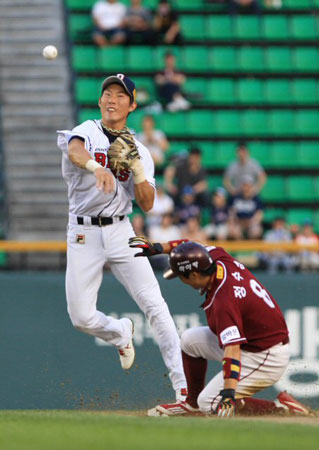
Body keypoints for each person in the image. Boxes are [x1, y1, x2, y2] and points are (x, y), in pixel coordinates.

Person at [57, 73, 186, 401]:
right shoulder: (87, 130)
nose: (112, 99)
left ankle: (184, 389)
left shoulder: (141, 151)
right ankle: (118, 332)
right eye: (107, 94)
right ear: (100, 101)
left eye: (120, 95)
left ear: (132, 104)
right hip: (82, 231)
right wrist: (96, 168)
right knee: (81, 317)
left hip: (120, 230)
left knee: (155, 304)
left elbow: (147, 203)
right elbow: (74, 150)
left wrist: (139, 171)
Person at [128, 237, 311, 417]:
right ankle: (191, 405)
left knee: (209, 402)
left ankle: (281, 409)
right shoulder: (216, 257)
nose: (180, 280)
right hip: (254, 341)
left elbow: (232, 349)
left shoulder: (224, 300)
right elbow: (190, 245)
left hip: (265, 355)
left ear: (194, 275)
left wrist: (229, 393)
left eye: (181, 276)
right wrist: (160, 247)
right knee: (190, 340)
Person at [228, 175, 263, 240]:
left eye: (249, 185)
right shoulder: (235, 198)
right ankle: (238, 248)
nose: (247, 188)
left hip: (251, 222)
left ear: (252, 186)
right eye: (245, 185)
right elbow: (231, 212)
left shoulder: (256, 198)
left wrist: (252, 222)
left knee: (256, 231)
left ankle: (253, 249)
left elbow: (259, 214)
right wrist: (234, 222)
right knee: (234, 231)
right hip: (238, 222)